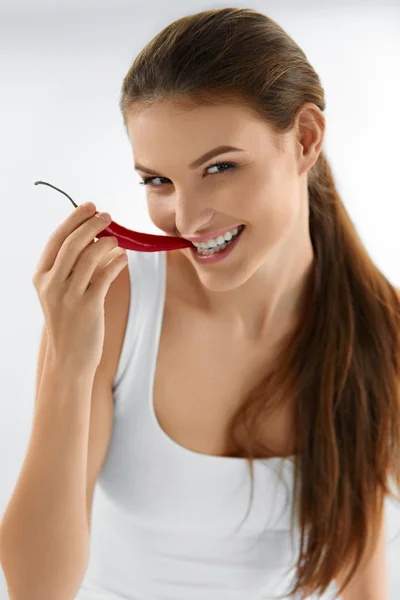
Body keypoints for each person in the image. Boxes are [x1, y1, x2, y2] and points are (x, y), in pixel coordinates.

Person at [0, 7, 398, 600]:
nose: (184, 220)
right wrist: (67, 361)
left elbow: (361, 580)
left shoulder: (380, 328)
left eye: (219, 167)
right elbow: (36, 588)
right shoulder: (118, 304)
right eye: (157, 181)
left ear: (306, 139)